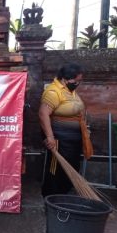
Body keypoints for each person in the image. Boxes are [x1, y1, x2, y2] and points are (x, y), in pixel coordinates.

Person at [39, 63, 91, 197]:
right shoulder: (53, 92)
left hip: (73, 141)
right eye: (76, 80)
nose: (78, 83)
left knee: (72, 166)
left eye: (80, 80)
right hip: (59, 140)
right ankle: (51, 196)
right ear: (65, 79)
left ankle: (64, 194)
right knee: (56, 169)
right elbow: (43, 114)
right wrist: (50, 137)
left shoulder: (70, 91)